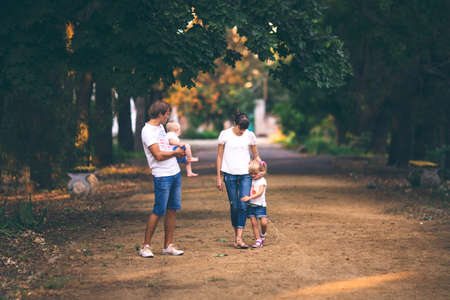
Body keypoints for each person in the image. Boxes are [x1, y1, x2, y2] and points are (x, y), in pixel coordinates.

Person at [139, 100, 186, 258]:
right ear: (160, 114)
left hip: (174, 173)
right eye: (167, 114)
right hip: (162, 175)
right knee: (158, 210)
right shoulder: (147, 131)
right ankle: (145, 246)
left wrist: (177, 150)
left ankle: (168, 246)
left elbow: (165, 148)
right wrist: (176, 152)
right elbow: (158, 155)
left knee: (172, 209)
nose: (168, 117)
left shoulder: (160, 128)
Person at [216, 112, 261, 249]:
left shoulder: (249, 135)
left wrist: (262, 169)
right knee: (234, 205)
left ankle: (239, 238)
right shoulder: (224, 134)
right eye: (240, 129)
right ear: (235, 124)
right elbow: (219, 156)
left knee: (243, 205)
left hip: (245, 174)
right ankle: (237, 235)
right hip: (229, 174)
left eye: (244, 129)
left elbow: (256, 156)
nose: (242, 132)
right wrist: (219, 177)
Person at [241, 160, 268, 248]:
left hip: (260, 205)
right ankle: (258, 240)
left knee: (264, 223)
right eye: (251, 173)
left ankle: (263, 234)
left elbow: (259, 193)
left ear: (260, 172)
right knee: (254, 223)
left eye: (255, 173)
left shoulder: (262, 181)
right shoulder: (250, 180)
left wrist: (249, 198)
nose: (252, 175)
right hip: (251, 205)